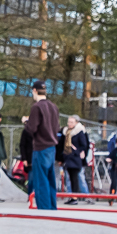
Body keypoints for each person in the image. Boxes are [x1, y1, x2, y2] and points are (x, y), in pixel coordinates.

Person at [24, 81, 59, 210]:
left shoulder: (37, 107)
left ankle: (44, 210)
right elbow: (57, 127)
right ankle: (52, 207)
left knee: (41, 181)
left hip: (40, 147)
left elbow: (32, 129)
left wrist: (26, 122)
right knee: (50, 180)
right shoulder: (53, 106)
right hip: (52, 147)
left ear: (34, 91)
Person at [61, 116, 92, 196]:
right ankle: (70, 195)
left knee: (79, 177)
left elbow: (85, 145)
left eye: (72, 122)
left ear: (76, 123)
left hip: (77, 158)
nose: (69, 124)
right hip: (68, 157)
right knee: (69, 178)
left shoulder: (80, 131)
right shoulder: (65, 132)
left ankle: (85, 195)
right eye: (69, 122)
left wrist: (77, 152)